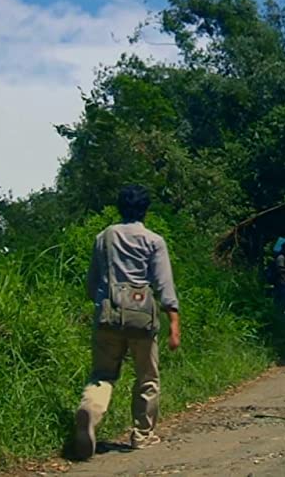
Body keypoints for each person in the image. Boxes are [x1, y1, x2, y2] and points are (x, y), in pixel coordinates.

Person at [73, 185, 181, 460]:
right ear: (146, 210)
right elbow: (164, 285)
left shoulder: (104, 237)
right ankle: (142, 435)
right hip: (141, 318)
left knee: (103, 375)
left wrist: (102, 304)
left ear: (119, 208)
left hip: (108, 315)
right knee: (147, 377)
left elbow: (92, 283)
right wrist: (174, 324)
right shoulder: (153, 240)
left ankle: (90, 412)